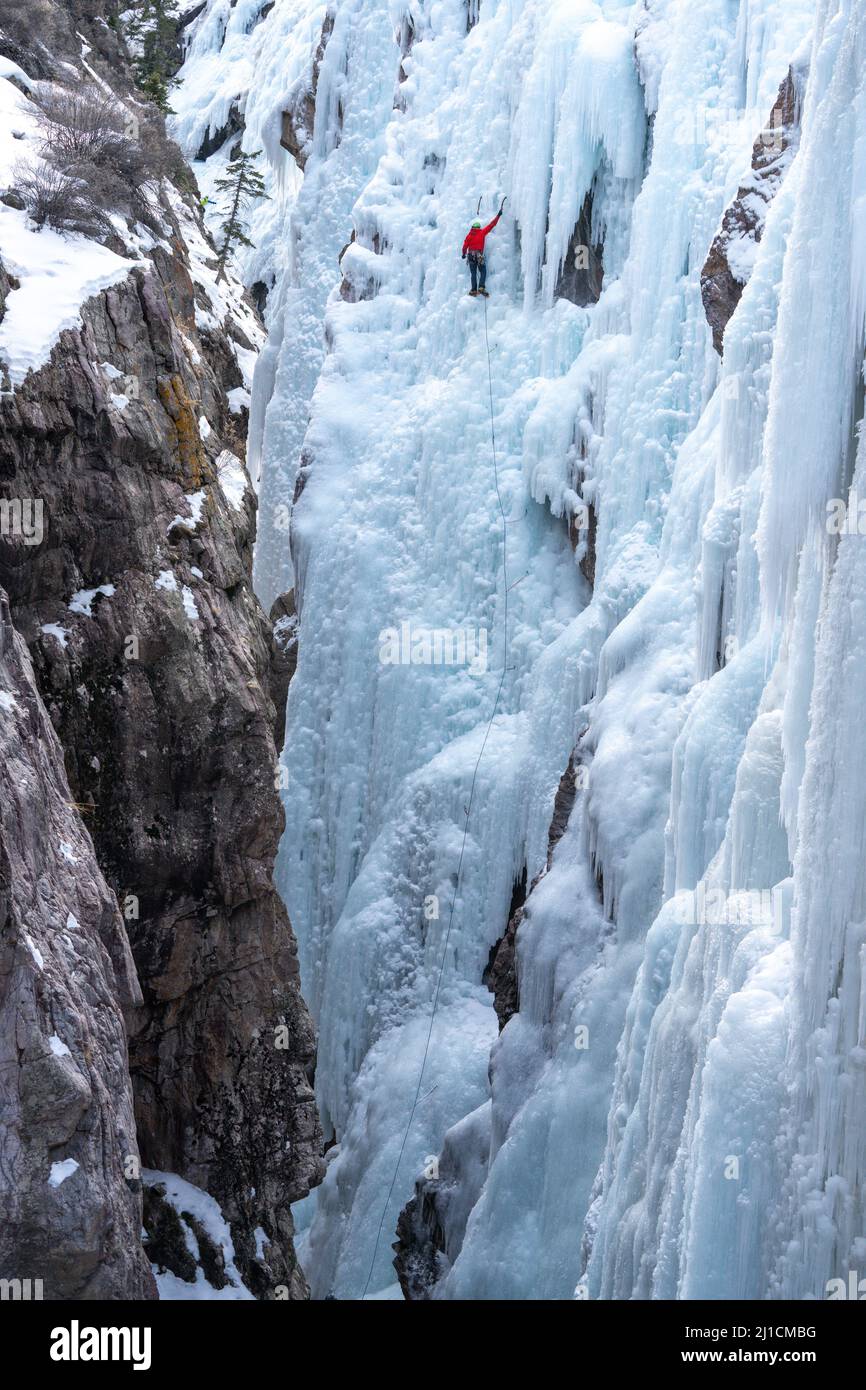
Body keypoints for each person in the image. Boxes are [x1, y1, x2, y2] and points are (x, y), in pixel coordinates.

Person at [462, 199, 506, 297]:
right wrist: (498, 215)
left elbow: (465, 246)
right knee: (483, 270)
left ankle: (473, 290)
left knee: (473, 273)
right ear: (479, 228)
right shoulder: (481, 232)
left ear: (472, 228)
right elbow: (491, 225)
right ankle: (481, 287)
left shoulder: (469, 235)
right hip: (478, 255)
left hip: (470, 255)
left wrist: (463, 254)